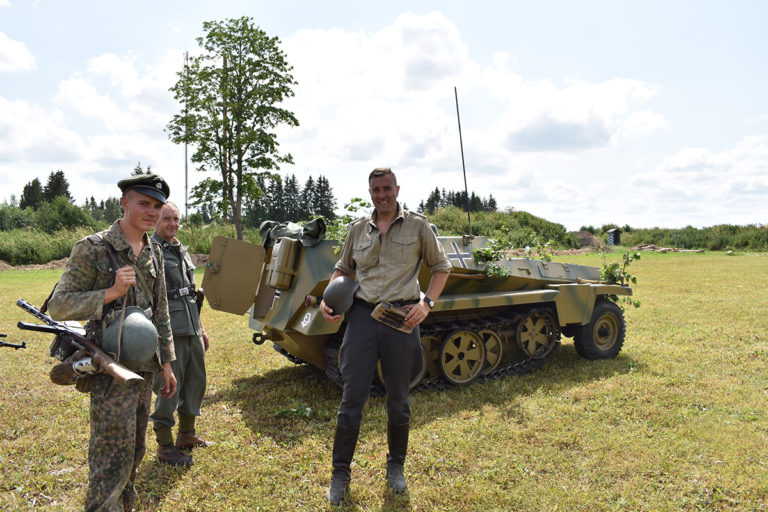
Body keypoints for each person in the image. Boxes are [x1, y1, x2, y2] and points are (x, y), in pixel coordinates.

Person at [320, 167, 452, 505]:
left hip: (401, 318)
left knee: (399, 397)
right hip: (362, 317)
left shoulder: (418, 226)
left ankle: (396, 467)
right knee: (352, 396)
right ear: (370, 192)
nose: (382, 195)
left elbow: (441, 267)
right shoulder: (357, 229)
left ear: (397, 189)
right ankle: (340, 473)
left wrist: (427, 303)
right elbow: (343, 268)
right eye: (376, 190)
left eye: (387, 188)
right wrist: (328, 298)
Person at [47, 174, 177, 512]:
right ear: (124, 203)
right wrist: (111, 292)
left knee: (135, 452)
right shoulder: (92, 248)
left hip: (143, 367)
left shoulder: (154, 250)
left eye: (157, 206)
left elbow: (161, 311)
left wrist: (166, 363)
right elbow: (59, 306)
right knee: (111, 459)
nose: (152, 212)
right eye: (144, 203)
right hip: (108, 367)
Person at [150, 201, 211, 467]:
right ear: (156, 220)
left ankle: (187, 434)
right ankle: (165, 446)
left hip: (191, 327)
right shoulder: (151, 251)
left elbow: (191, 294)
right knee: (168, 388)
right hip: (169, 331)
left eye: (176, 219)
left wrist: (201, 328)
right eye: (167, 219)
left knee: (196, 381)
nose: (173, 224)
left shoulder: (180, 249)